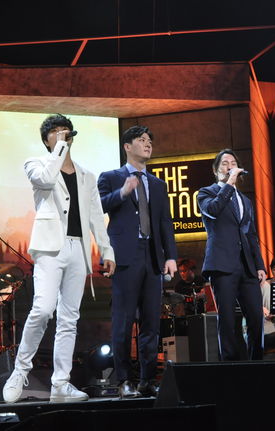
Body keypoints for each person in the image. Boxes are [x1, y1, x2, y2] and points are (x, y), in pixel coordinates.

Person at [2, 114, 115, 404]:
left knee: (69, 319)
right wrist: (59, 151)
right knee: (42, 309)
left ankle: (61, 384)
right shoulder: (36, 164)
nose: (63, 134)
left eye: (66, 131)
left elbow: (96, 216)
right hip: (50, 248)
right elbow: (45, 180)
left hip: (78, 249)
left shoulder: (87, 175)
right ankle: (20, 370)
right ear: (46, 139)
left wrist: (107, 250)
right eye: (55, 131)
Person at [98, 125, 177, 398]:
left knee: (151, 324)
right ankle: (124, 380)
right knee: (123, 322)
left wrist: (171, 256)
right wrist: (122, 192)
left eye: (149, 140)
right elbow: (99, 207)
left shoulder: (158, 184)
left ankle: (147, 379)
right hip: (125, 257)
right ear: (127, 146)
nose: (147, 144)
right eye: (141, 140)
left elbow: (165, 222)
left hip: (152, 257)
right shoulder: (111, 177)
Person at [198, 149, 266, 361]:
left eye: (233, 163)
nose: (230, 166)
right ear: (216, 170)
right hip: (222, 263)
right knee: (227, 319)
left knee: (256, 317)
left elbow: (251, 234)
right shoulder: (206, 193)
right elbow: (213, 210)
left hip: (246, 265)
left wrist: (259, 265)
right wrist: (229, 183)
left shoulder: (245, 200)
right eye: (225, 163)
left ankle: (257, 364)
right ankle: (228, 366)